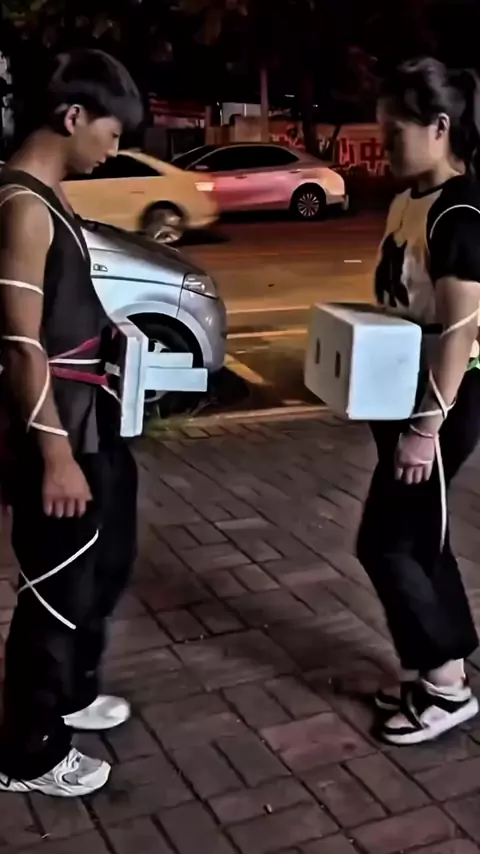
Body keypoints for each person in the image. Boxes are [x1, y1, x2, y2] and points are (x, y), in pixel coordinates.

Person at [0, 49, 142, 796]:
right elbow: (20, 344)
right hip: (55, 430)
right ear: (74, 116)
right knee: (54, 590)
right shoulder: (22, 204)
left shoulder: (50, 193)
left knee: (105, 561)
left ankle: (70, 693)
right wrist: (55, 457)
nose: (114, 151)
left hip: (92, 422)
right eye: (112, 135)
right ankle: (27, 752)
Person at [357, 57, 480, 745]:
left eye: (394, 131)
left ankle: (447, 686)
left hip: (441, 398)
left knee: (391, 542)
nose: (385, 145)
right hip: (403, 390)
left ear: (440, 126)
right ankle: (442, 670)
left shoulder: (461, 210)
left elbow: (461, 329)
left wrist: (426, 426)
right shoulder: (412, 200)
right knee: (416, 535)